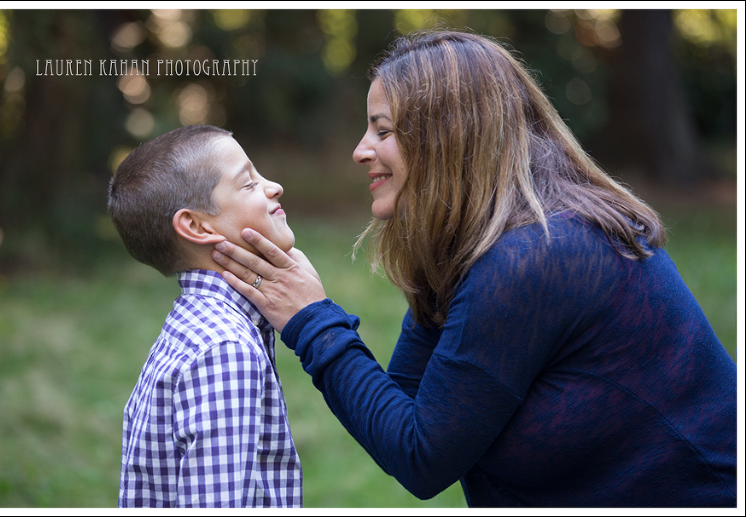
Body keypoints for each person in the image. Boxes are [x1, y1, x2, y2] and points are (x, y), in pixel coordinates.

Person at [210, 31, 737, 507]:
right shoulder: (483, 246)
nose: (359, 150)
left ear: (448, 137)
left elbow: (421, 457)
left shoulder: (540, 255)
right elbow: (404, 415)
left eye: (382, 130)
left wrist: (311, 319)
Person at [108, 124, 302, 507]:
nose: (274, 186)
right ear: (196, 226)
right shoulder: (225, 349)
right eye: (248, 183)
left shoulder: (196, 326)